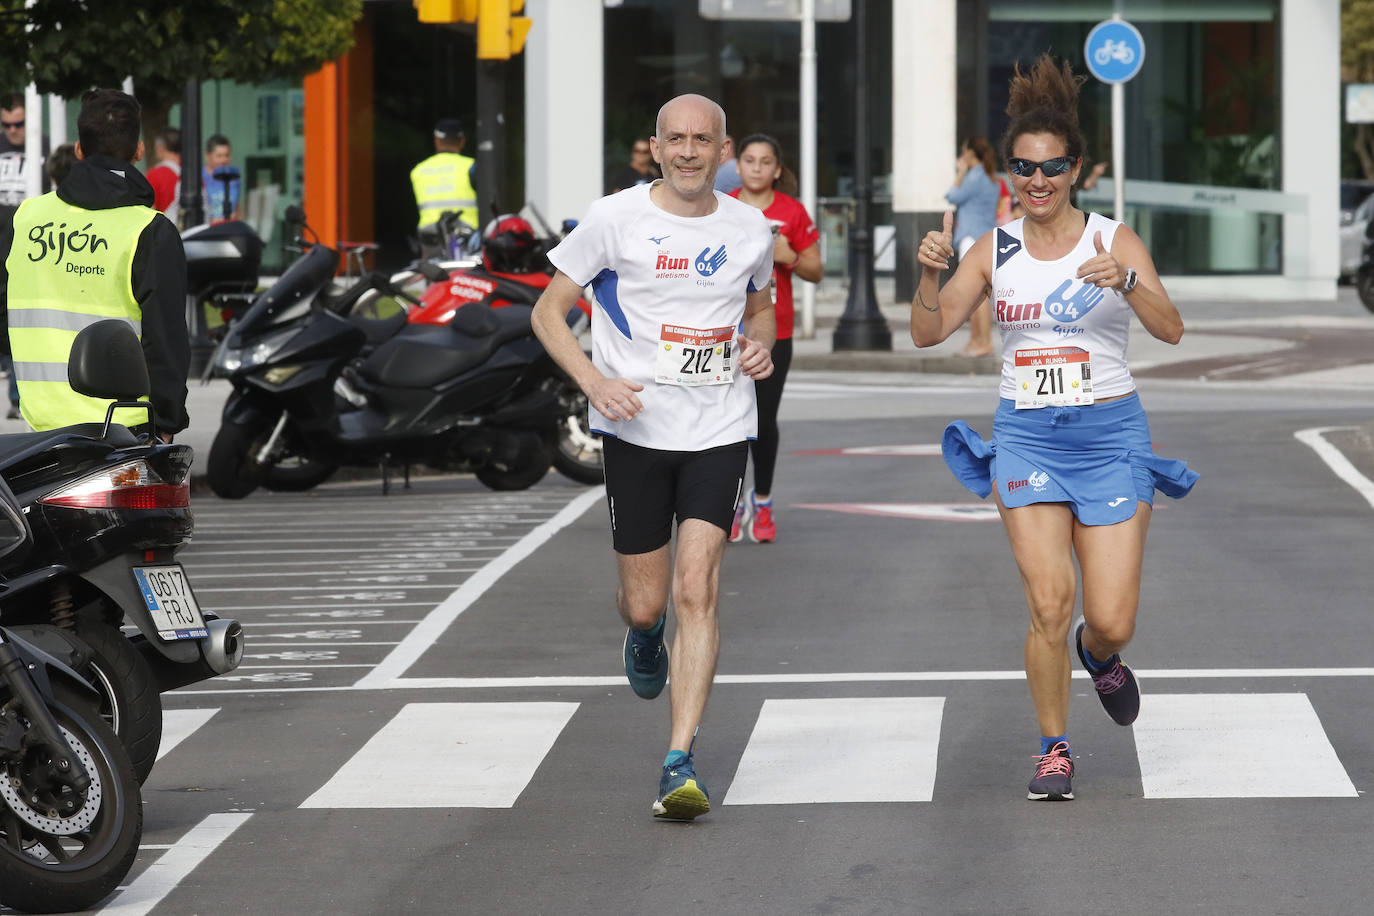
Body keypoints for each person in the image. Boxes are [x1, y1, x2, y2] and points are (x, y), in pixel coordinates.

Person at [909, 54, 1198, 802]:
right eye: (1024, 168)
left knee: (1110, 620)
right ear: (1010, 173)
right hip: (1029, 438)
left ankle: (1100, 659)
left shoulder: (1113, 241)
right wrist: (929, 274)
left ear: (1075, 171)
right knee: (1047, 601)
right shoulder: (995, 247)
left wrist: (1129, 283)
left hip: (1110, 438)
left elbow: (1171, 330)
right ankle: (1053, 748)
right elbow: (926, 333)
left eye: (1052, 167)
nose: (1037, 181)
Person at [531, 93, 775, 820]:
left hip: (720, 427)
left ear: (724, 149)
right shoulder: (614, 218)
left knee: (695, 591)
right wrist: (594, 383)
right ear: (657, 146)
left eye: (704, 140)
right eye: (678, 140)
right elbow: (548, 311)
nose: (691, 152)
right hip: (635, 431)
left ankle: (679, 761)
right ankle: (641, 634)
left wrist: (757, 341)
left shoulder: (750, 227)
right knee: (648, 601)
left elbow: (758, 303)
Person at [0, 88, 189, 440]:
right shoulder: (148, 230)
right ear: (139, 150)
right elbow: (167, 339)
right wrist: (167, 422)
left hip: (39, 429)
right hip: (124, 431)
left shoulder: (27, 218)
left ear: (78, 149)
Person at [727, 134, 821, 543]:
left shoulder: (792, 212)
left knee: (763, 420)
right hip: (721, 330)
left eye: (766, 162)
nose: (757, 168)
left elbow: (817, 271)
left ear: (777, 169)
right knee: (726, 420)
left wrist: (790, 257)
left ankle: (761, 500)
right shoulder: (722, 206)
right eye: (749, 160)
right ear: (739, 165)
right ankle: (729, 502)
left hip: (773, 331)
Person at [946, 136, 1002, 358]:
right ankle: (976, 341)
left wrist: (960, 172)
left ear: (970, 154)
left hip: (971, 237)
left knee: (976, 295)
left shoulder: (974, 177)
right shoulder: (991, 179)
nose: (961, 157)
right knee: (980, 292)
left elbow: (952, 196)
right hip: (986, 236)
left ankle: (983, 342)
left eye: (963, 152)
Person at [410, 117, 478, 258]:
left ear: (436, 141)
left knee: (434, 278)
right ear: (462, 141)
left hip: (430, 239)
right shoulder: (472, 166)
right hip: (467, 239)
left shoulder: (418, 171)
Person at [202, 134, 241, 223]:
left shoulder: (234, 178)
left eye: (227, 155)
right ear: (208, 156)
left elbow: (237, 207)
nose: (223, 160)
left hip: (230, 230)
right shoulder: (200, 178)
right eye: (219, 156)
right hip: (207, 231)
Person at [146, 127, 181, 224]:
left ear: (160, 148)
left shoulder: (155, 174)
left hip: (168, 233)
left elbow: (149, 211)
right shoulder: (194, 174)